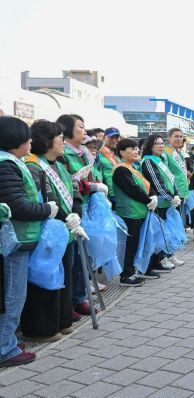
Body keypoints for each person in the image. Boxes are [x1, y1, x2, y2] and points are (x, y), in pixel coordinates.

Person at [21, 120, 88, 342]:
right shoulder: (34, 165)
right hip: (48, 232)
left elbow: (75, 192)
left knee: (64, 276)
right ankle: (42, 328)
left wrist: (76, 213)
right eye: (60, 138)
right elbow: (47, 199)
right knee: (45, 278)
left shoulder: (59, 164)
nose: (63, 143)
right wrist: (67, 219)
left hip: (65, 232)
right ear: (46, 141)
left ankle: (62, 320)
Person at [0, 117, 57, 367]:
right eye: (27, 137)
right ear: (15, 139)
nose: (30, 141)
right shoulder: (6, 165)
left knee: (12, 295)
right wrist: (47, 209)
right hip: (14, 242)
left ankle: (7, 340)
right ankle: (5, 349)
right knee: (12, 296)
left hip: (18, 240)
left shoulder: (12, 162)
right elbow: (18, 206)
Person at [57, 114, 105, 319]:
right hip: (70, 210)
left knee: (82, 256)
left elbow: (92, 175)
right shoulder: (63, 153)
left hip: (84, 206)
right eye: (80, 127)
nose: (84, 131)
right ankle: (74, 300)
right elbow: (69, 182)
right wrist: (91, 186)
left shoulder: (84, 151)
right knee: (73, 259)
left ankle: (79, 297)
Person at [112, 138, 157, 285]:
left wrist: (152, 196)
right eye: (131, 149)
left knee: (137, 244)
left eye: (136, 148)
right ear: (121, 152)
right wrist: (148, 200)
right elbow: (132, 189)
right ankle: (126, 275)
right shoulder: (121, 169)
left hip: (139, 212)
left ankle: (133, 271)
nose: (136, 151)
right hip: (129, 213)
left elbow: (145, 186)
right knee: (129, 245)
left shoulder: (133, 168)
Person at [141, 134, 181, 270]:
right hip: (158, 203)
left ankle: (164, 257)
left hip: (167, 202)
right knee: (158, 233)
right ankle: (158, 261)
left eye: (162, 143)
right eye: (157, 143)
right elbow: (157, 183)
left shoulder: (160, 160)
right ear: (150, 145)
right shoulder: (148, 160)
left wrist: (175, 194)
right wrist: (171, 197)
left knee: (165, 232)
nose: (161, 146)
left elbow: (171, 179)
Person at [164, 128, 189, 267]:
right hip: (173, 193)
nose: (179, 139)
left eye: (181, 136)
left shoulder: (178, 153)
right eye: (176, 136)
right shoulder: (167, 152)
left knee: (176, 224)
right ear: (169, 138)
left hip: (182, 192)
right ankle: (167, 255)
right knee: (171, 225)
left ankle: (171, 254)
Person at [97, 127, 121, 206]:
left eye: (116, 137)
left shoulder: (118, 154)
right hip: (109, 195)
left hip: (120, 193)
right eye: (111, 137)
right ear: (104, 137)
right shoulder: (98, 153)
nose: (114, 140)